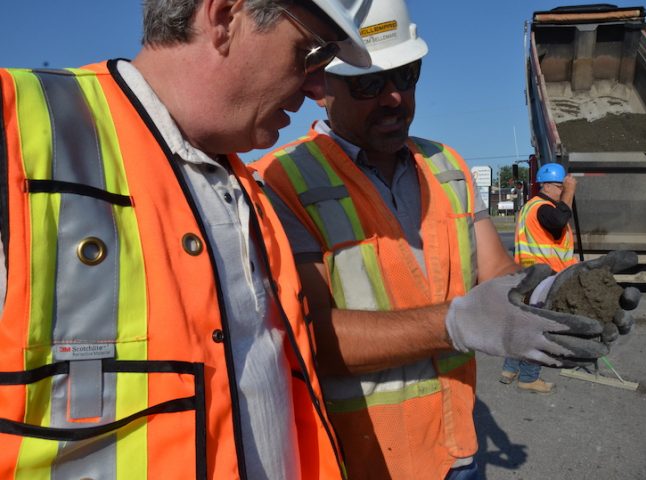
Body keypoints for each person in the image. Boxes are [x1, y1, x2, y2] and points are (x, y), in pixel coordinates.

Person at [253, 2, 638, 478]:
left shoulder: (446, 166)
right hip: (361, 459)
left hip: (456, 445)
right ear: (318, 87)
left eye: (406, 75)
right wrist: (454, 324)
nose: (394, 98)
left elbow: (497, 275)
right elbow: (310, 338)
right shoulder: (281, 180)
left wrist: (550, 295)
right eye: (369, 83)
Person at [0, 1, 373, 478]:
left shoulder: (247, 189)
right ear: (224, 17)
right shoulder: (16, 130)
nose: (319, 86)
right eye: (310, 52)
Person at [501, 163, 578, 393]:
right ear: (546, 185)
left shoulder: (530, 207)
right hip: (544, 276)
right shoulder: (543, 208)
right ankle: (529, 377)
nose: (560, 190)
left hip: (529, 274)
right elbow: (558, 221)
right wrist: (570, 192)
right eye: (559, 186)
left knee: (523, 325)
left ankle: (510, 368)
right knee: (538, 329)